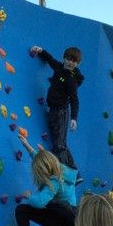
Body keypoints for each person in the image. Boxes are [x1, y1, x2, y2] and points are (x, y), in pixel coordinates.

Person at [30, 44, 84, 179]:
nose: (70, 62)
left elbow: (74, 100)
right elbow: (50, 60)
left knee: (59, 145)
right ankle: (76, 174)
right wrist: (41, 51)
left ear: (77, 64)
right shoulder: (59, 67)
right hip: (53, 110)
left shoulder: (71, 80)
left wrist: (74, 118)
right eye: (68, 59)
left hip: (61, 112)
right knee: (61, 144)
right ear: (64, 58)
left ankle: (69, 174)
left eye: (74, 61)